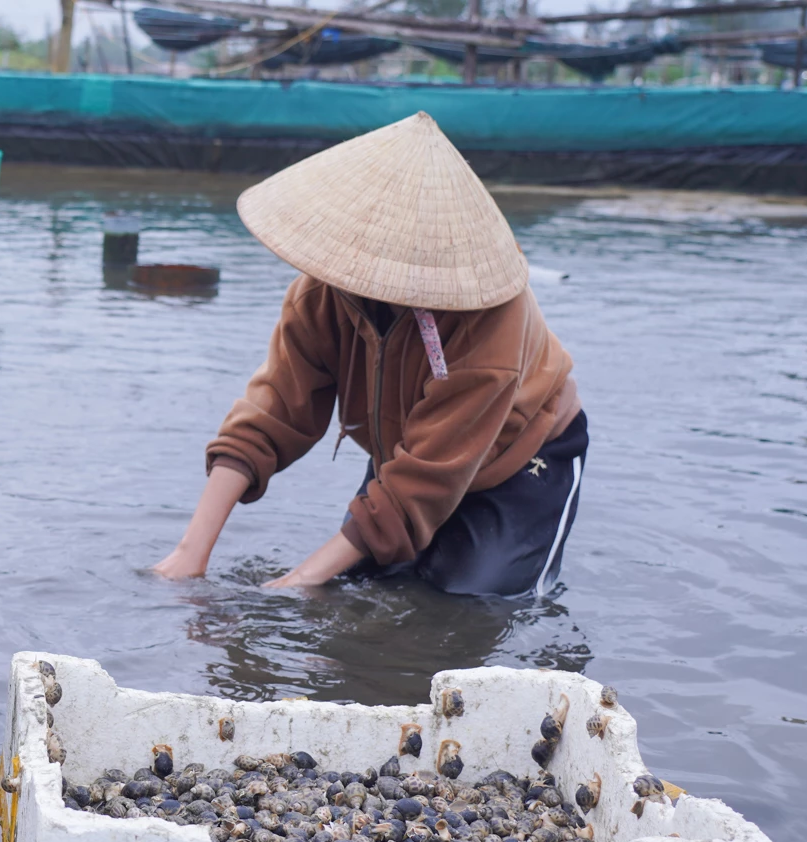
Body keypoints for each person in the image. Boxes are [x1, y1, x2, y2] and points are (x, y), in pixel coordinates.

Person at [155, 111, 586, 598]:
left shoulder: (490, 320)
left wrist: (300, 579)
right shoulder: (319, 297)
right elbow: (271, 412)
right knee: (362, 587)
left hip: (519, 458)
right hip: (404, 450)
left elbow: (429, 474)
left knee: (470, 604)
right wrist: (191, 553)